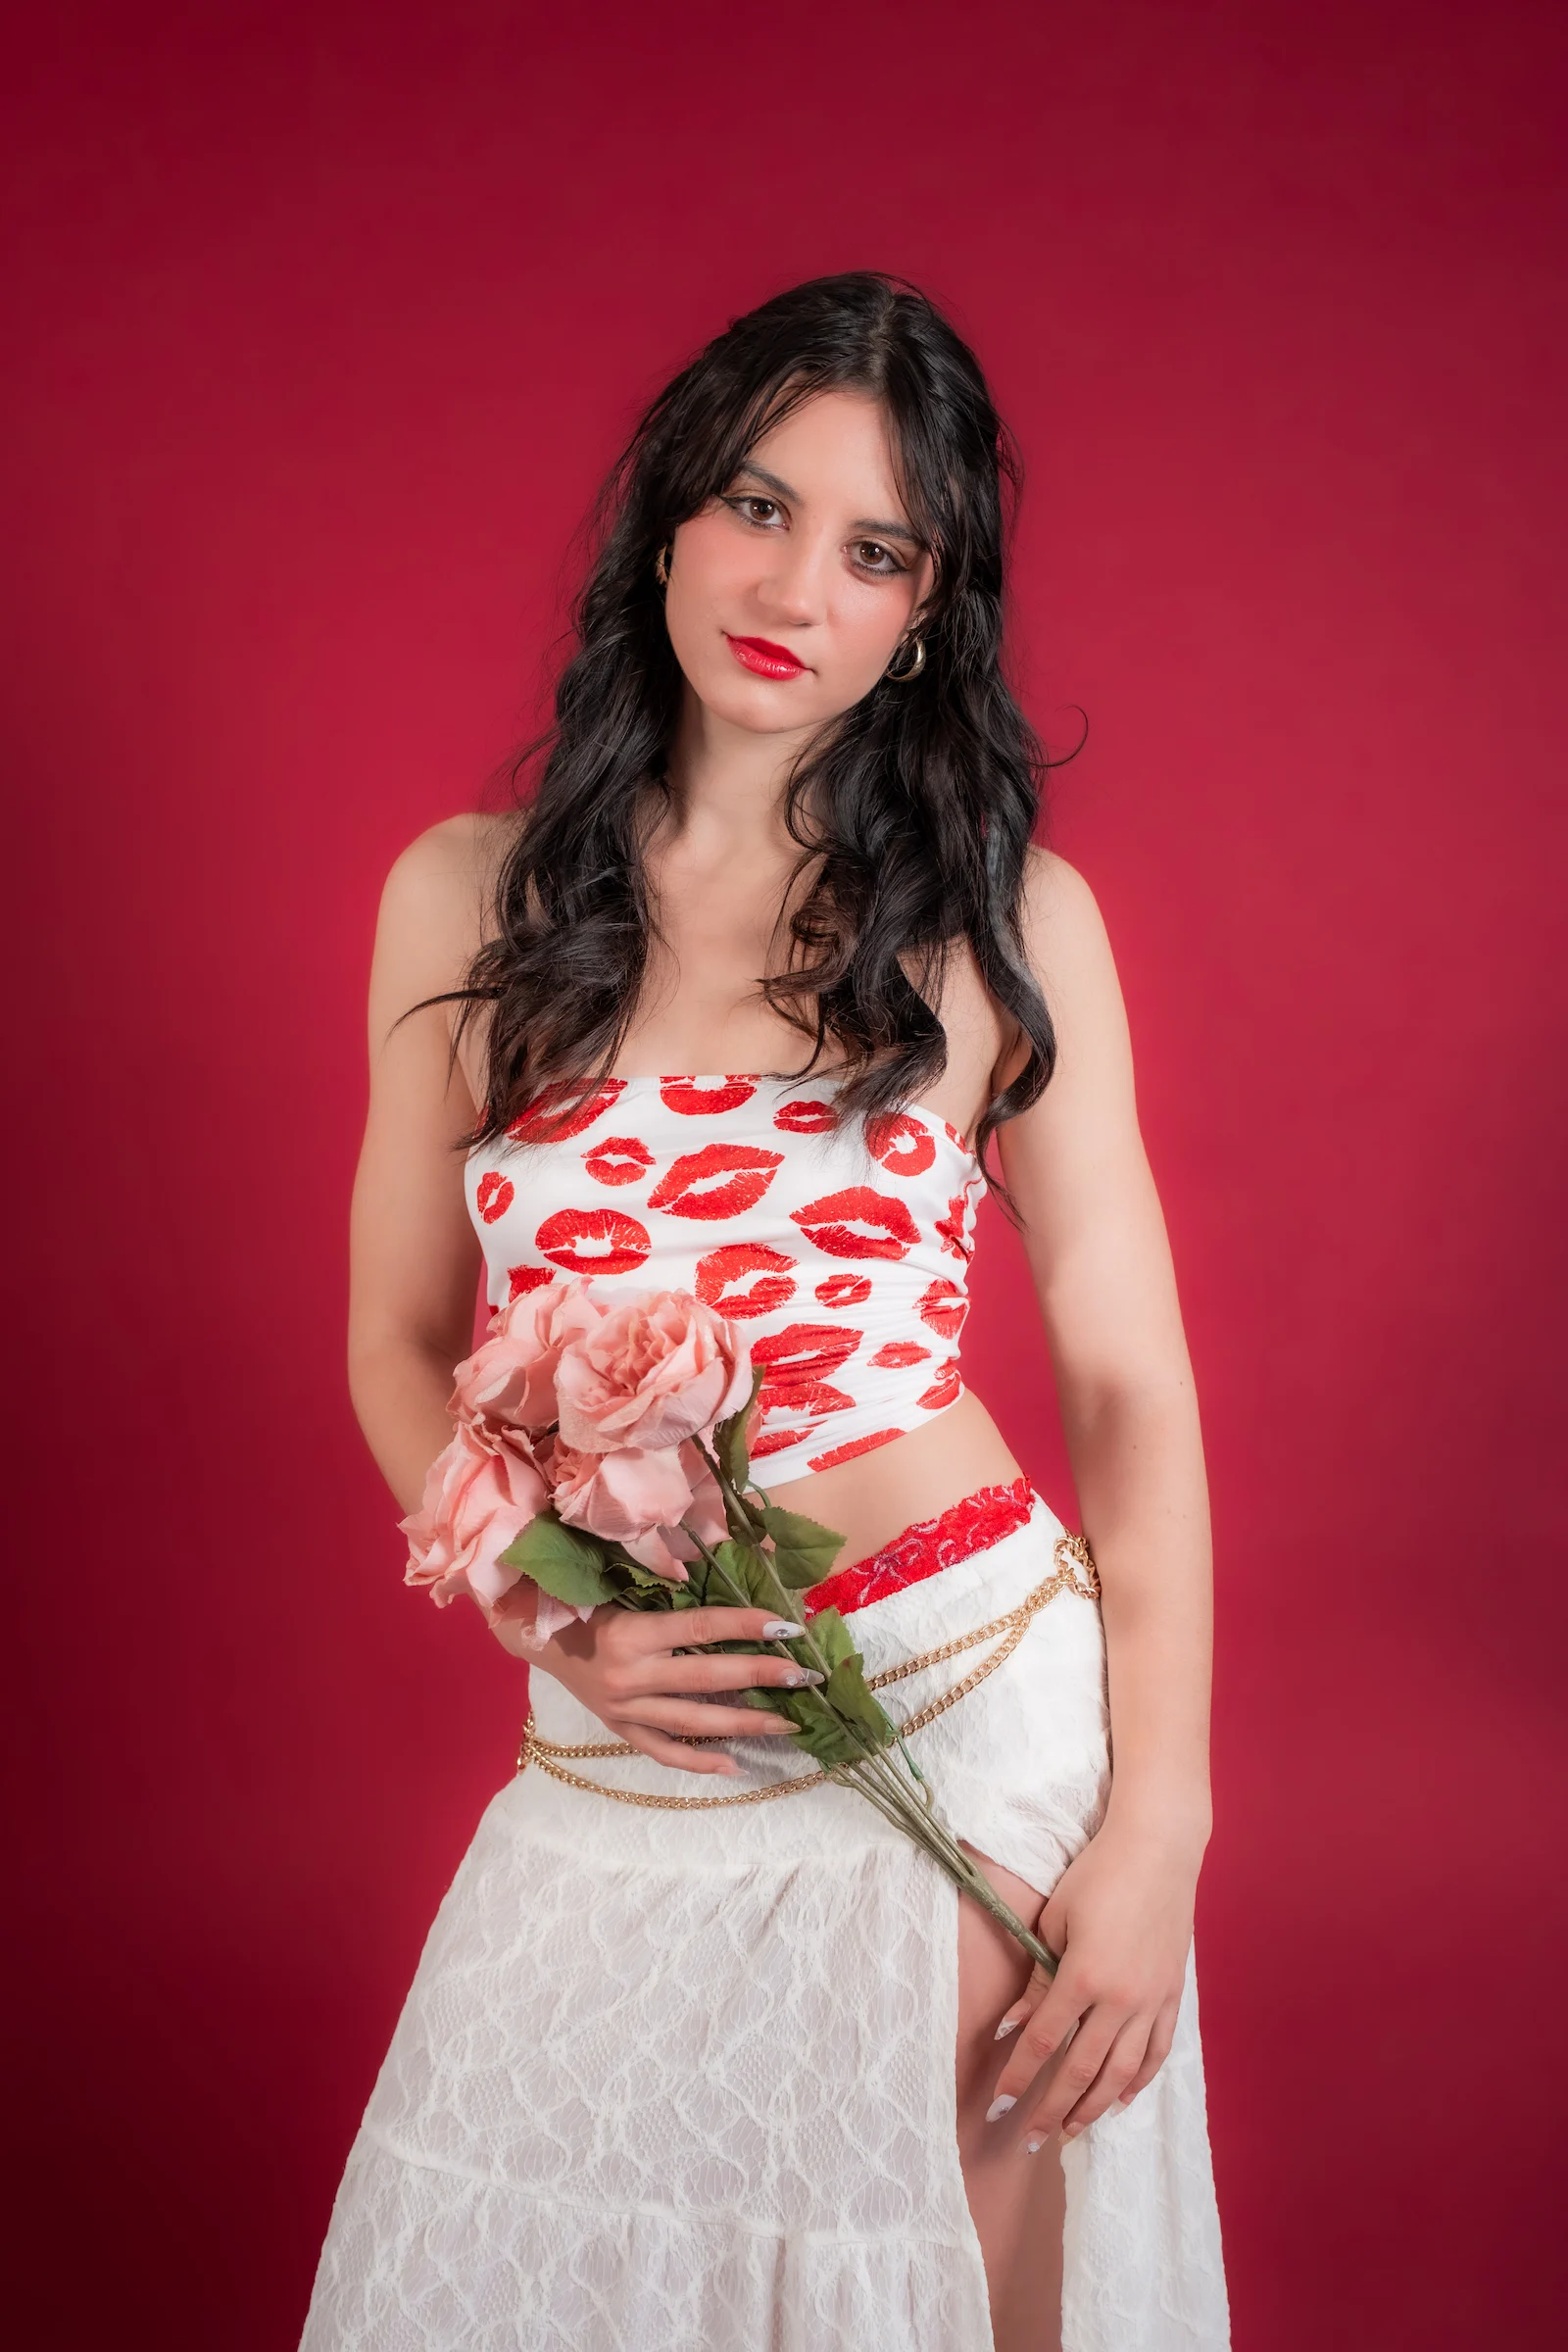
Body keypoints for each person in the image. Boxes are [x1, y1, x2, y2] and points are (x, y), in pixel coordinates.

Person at [299, 270, 1229, 2352]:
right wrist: (550, 1620)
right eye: (754, 504)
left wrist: (1156, 1821)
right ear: (664, 522)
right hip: (628, 1727)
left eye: (873, 547)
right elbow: (390, 1336)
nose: (793, 584)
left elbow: (1123, 1382)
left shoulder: (1007, 927)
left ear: (926, 610)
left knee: (915, 2287)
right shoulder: (464, 895)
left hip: (960, 1713)